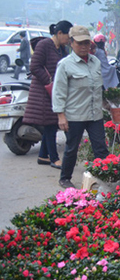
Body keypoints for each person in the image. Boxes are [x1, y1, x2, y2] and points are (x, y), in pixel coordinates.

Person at [52, 26, 110, 189]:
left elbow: (99, 88)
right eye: (80, 43)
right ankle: (65, 178)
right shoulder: (65, 65)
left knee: (101, 148)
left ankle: (106, 177)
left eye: (86, 42)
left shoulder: (95, 62)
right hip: (75, 115)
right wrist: (61, 116)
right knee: (71, 148)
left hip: (95, 114)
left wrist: (107, 104)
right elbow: (59, 92)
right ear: (71, 43)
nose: (84, 46)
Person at [23, 20, 73, 170]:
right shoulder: (44, 45)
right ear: (59, 33)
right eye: (67, 36)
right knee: (51, 124)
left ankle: (43, 156)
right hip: (44, 92)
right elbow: (34, 66)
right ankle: (54, 158)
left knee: (50, 124)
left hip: (55, 91)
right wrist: (50, 81)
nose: (69, 40)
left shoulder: (63, 49)